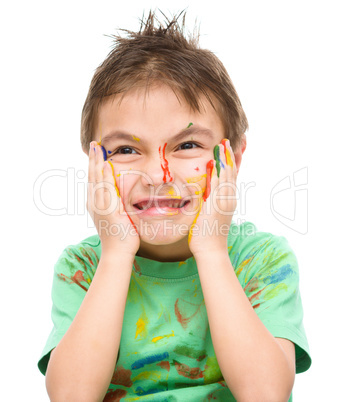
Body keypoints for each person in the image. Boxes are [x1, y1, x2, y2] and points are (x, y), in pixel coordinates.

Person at [38, 11, 311, 401]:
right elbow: (70, 396)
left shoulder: (262, 260)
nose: (156, 173)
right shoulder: (82, 268)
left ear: (233, 155)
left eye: (186, 146)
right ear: (94, 164)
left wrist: (212, 250)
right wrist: (116, 253)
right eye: (126, 150)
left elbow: (266, 394)